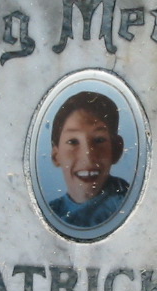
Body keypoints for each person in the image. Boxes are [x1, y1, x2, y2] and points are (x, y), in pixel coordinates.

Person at [48, 91, 129, 228]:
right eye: (73, 142)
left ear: (116, 150)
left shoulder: (126, 205)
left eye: (99, 140)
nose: (88, 157)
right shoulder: (52, 213)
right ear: (56, 156)